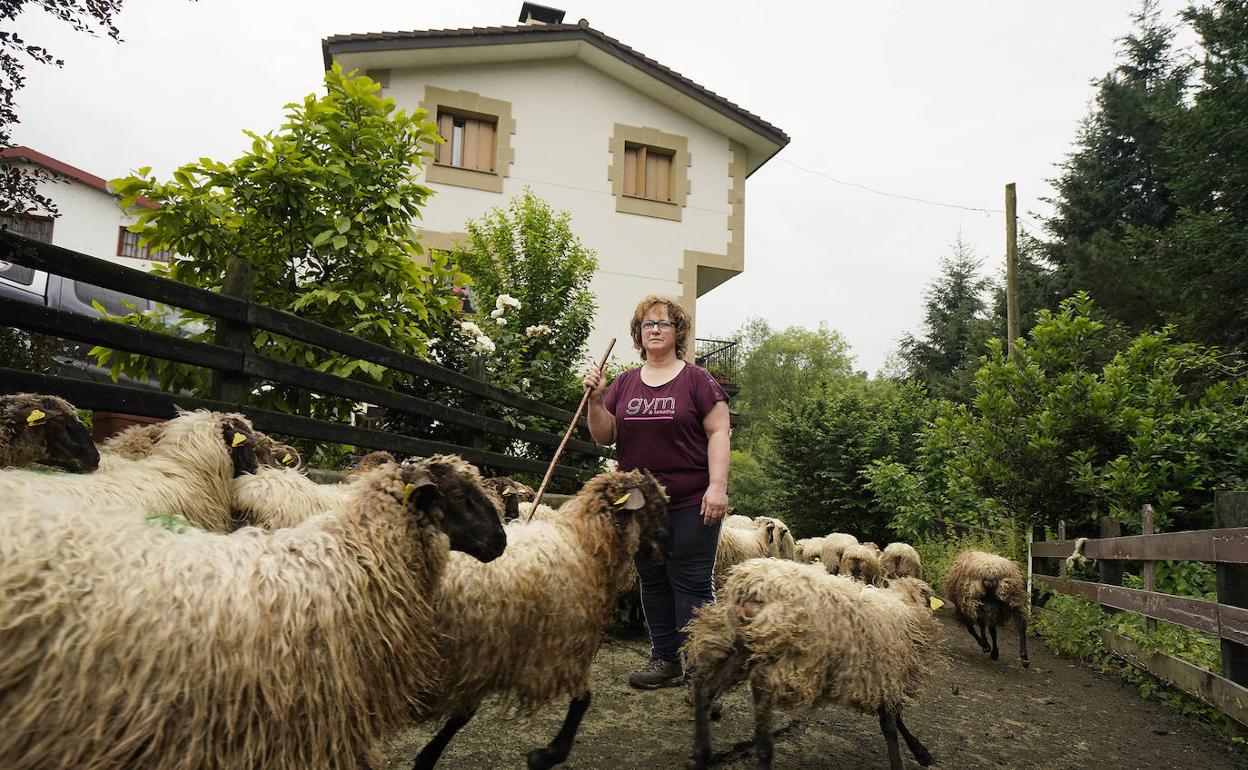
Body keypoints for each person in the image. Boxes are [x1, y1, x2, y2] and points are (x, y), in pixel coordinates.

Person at [583, 295, 730, 689]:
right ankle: (664, 659)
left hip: (690, 497)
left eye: (664, 323)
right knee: (653, 578)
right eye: (648, 324)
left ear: (677, 332)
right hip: (639, 502)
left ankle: (701, 670)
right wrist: (596, 401)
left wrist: (717, 487)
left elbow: (719, 432)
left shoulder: (697, 380)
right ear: (638, 333)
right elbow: (604, 434)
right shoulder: (625, 383)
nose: (655, 329)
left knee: (692, 580)